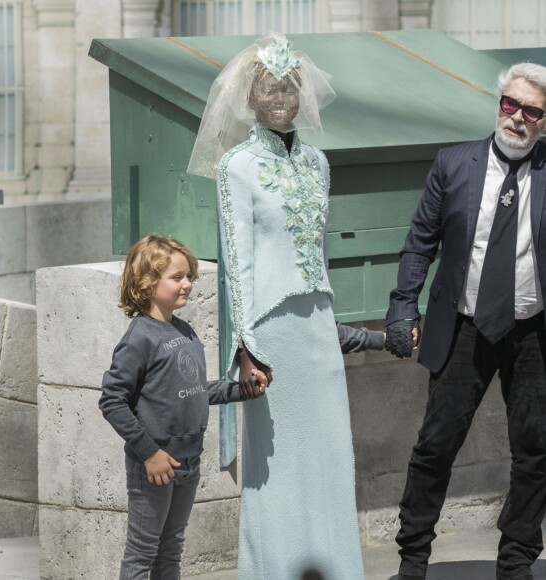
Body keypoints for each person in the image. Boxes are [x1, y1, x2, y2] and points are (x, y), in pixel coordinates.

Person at [188, 33, 393, 580]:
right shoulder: (237, 166)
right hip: (271, 334)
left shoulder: (319, 163)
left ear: (302, 95)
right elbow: (238, 263)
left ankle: (336, 569)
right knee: (275, 468)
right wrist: (246, 348)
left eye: (288, 88)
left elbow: (318, 253)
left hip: (317, 329)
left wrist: (330, 323)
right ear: (250, 98)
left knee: (329, 459)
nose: (279, 98)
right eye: (268, 89)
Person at [385, 62, 546, 580]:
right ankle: (413, 557)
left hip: (532, 334)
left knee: (536, 451)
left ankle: (516, 563)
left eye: (532, 112)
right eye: (510, 104)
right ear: (498, 103)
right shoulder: (454, 164)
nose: (517, 118)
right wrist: (402, 306)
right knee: (435, 445)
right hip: (463, 327)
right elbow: (420, 243)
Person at [98, 235, 267, 580]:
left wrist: (241, 391)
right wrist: (149, 453)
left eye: (189, 276)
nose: (188, 283)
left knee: (171, 549)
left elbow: (194, 391)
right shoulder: (139, 339)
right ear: (146, 283)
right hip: (155, 466)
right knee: (143, 554)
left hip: (188, 461)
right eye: (177, 277)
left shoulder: (185, 331)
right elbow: (112, 400)